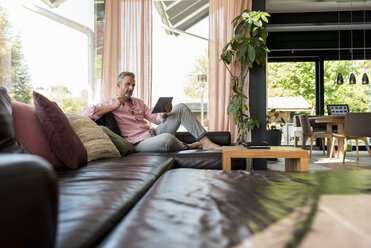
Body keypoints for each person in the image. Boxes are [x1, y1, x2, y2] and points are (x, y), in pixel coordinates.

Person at [82, 71, 221, 152]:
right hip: (138, 143)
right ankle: (188, 146)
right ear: (118, 85)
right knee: (167, 139)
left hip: (154, 133)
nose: (131, 88)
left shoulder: (139, 103)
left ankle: (205, 141)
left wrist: (164, 113)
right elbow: (86, 113)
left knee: (181, 107)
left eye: (133, 85)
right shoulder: (109, 103)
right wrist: (113, 106)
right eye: (127, 84)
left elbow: (155, 119)